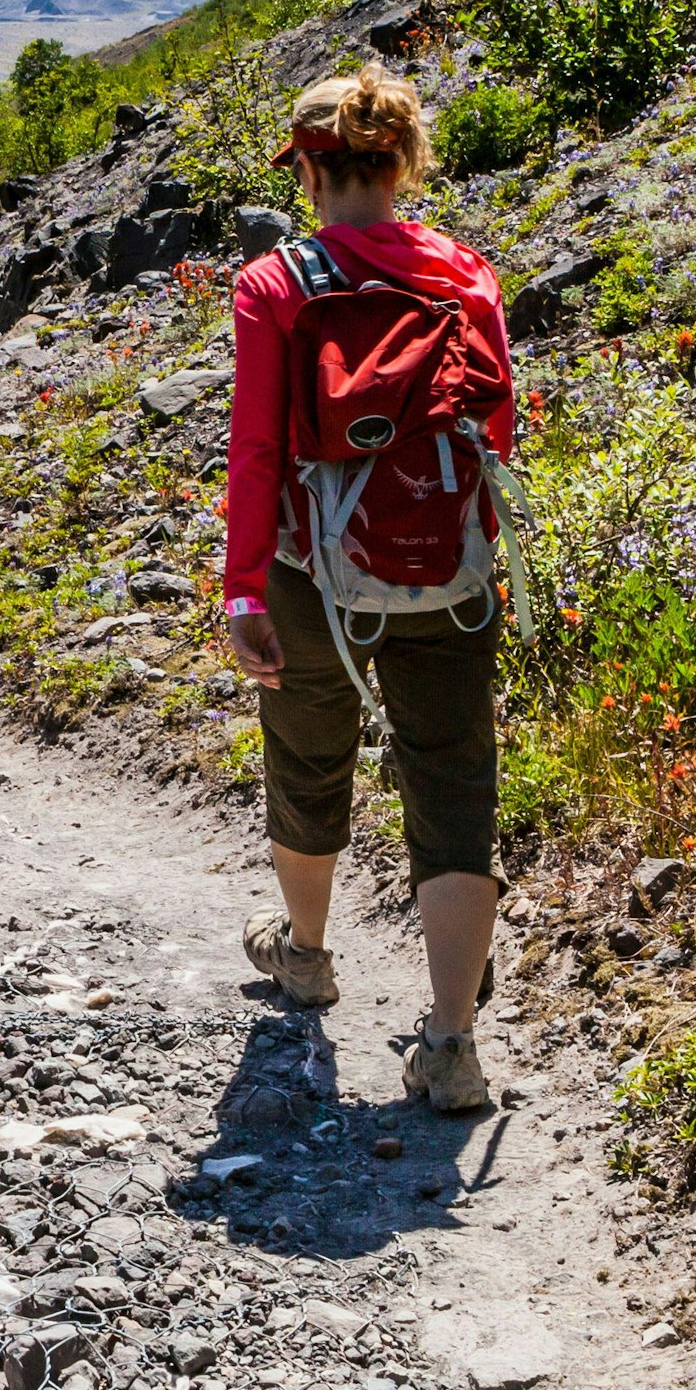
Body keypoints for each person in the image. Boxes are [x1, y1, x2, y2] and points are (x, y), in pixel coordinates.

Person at [217, 64, 516, 1115]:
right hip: (449, 566)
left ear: (307, 167)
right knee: (452, 782)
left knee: (309, 755)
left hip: (314, 569)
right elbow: (496, 434)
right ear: (401, 159)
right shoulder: (466, 275)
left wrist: (244, 586)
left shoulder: (275, 287)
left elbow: (256, 451)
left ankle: (305, 954)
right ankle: (452, 1045)